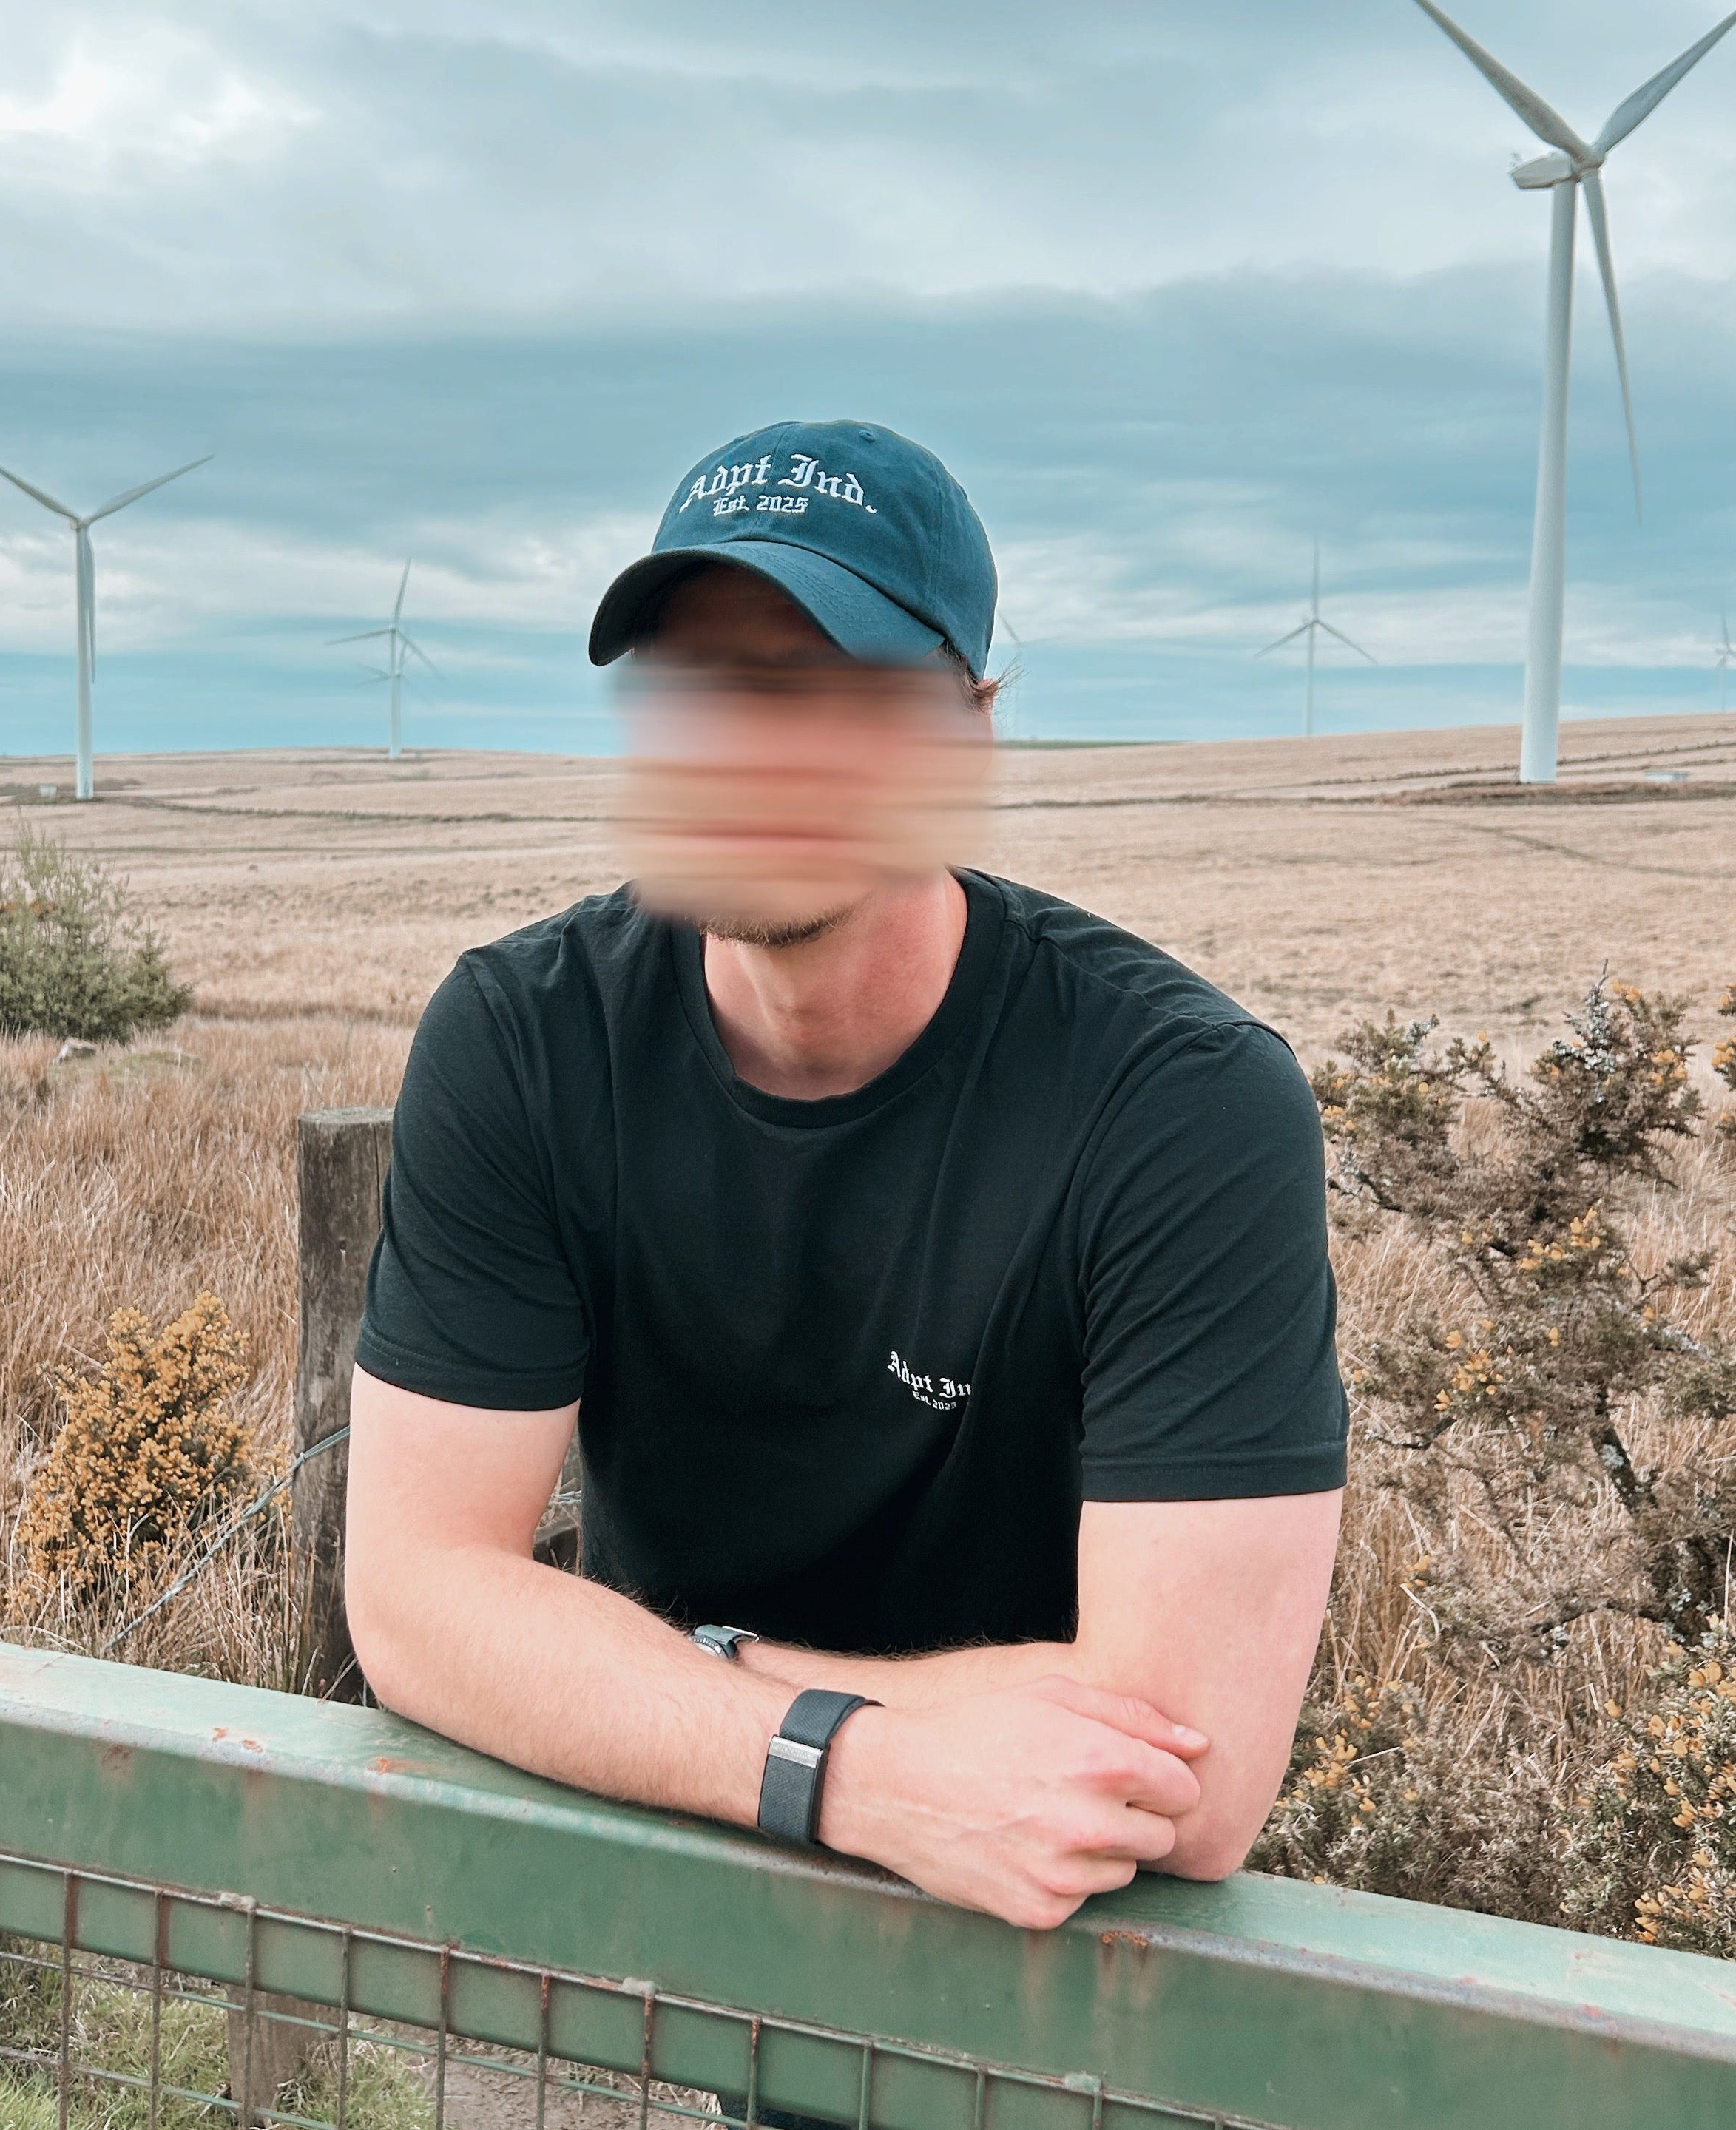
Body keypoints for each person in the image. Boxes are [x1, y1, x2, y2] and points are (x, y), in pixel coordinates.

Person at [343, 419, 1345, 1930]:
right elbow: (414, 1604)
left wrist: (665, 1667)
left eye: (827, 685)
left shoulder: (1181, 1103)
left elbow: (1186, 1779)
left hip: (1047, 1944)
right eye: (698, 687)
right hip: (704, 1888)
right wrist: (863, 1769)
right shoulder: (525, 1037)